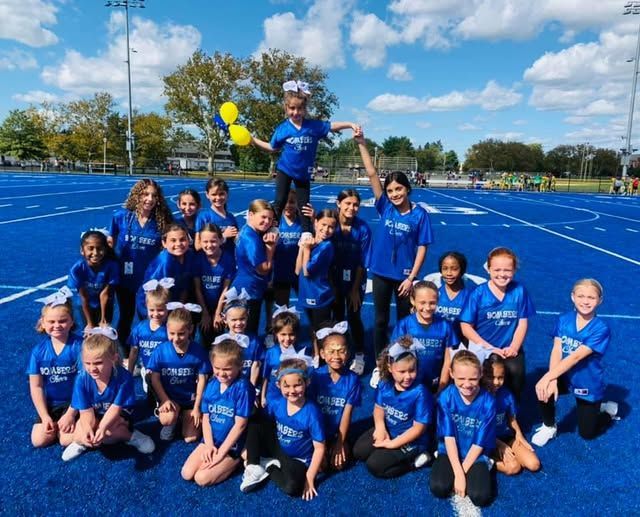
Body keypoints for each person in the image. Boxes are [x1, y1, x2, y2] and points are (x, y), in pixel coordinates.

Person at [355, 133, 434, 363]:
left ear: (407, 189)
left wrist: (412, 277)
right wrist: (362, 144)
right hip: (380, 272)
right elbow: (371, 173)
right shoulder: (385, 207)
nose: (394, 194)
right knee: (380, 320)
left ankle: (403, 361)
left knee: (403, 321)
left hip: (404, 278)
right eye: (390, 191)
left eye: (398, 189)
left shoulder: (420, 215)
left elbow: (422, 247)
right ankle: (382, 362)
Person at [251, 79, 360, 232]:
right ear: (286, 107)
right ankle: (272, 229)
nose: (296, 112)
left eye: (300, 108)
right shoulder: (283, 129)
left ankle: (306, 233)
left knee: (304, 205)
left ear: (305, 109)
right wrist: (252, 140)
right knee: (280, 200)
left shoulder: (313, 126)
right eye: (292, 108)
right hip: (285, 169)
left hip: (303, 173)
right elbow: (272, 147)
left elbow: (331, 126)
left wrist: (350, 124)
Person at [532, 279, 618, 446]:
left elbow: (575, 357)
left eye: (591, 298)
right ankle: (549, 426)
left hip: (587, 381)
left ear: (600, 300)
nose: (585, 301)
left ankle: (606, 411)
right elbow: (557, 349)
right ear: (573, 297)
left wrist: (548, 376)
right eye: (581, 296)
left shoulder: (601, 328)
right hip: (563, 374)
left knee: (587, 433)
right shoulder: (564, 319)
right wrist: (552, 379)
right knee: (544, 387)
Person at [61, 330, 155, 461]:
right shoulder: (82, 379)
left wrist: (101, 428)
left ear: (114, 358)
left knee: (108, 436)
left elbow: (115, 409)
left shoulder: (124, 378)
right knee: (65, 439)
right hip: (96, 411)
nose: (92, 368)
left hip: (119, 413)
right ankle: (82, 441)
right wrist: (87, 430)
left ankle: (131, 436)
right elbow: (85, 412)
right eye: (87, 363)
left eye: (98, 363)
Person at [241, 357, 325, 500]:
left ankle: (268, 465)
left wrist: (310, 477)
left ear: (307, 382)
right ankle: (253, 465)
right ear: (279, 385)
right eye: (286, 386)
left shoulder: (312, 413)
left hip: (299, 459)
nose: (292, 391)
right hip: (279, 447)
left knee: (292, 487)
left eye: (297, 385)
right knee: (255, 421)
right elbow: (262, 425)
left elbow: (319, 448)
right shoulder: (277, 403)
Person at [108, 178, 172, 359]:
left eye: (154, 195)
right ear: (137, 195)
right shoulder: (121, 216)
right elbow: (110, 245)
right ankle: (126, 356)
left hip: (151, 279)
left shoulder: (163, 220)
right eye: (145, 194)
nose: (149, 199)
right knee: (126, 316)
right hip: (126, 277)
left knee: (151, 319)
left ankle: (153, 358)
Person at [459, 247, 535, 399]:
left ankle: (510, 415)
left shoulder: (519, 291)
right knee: (478, 382)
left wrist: (514, 347)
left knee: (516, 375)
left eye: (507, 270)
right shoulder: (478, 293)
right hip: (483, 348)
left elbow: (522, 322)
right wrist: (488, 347)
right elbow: (465, 326)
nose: (502, 274)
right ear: (488, 269)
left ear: (514, 270)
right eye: (497, 269)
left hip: (509, 349)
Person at [353, 337, 433, 478]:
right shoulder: (384, 384)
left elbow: (418, 428)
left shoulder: (420, 392)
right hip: (389, 430)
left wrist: (393, 444)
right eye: (402, 372)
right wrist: (380, 427)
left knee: (375, 465)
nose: (408, 376)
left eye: (412, 370)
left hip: (412, 440)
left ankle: (415, 462)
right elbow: (378, 408)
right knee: (359, 452)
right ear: (390, 368)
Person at [181, 339, 254, 486]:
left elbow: (240, 425)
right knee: (187, 473)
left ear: (239, 366)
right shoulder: (212, 384)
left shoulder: (243, 388)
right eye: (217, 368)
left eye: (227, 369)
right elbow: (206, 418)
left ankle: (236, 460)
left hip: (231, 446)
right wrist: (208, 445)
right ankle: (215, 455)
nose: (221, 373)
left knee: (201, 478)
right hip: (212, 440)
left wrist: (220, 454)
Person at [430, 350, 496, 507]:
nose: (467, 384)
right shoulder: (446, 396)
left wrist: (462, 471)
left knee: (480, 497)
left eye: (473, 378)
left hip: (476, 453)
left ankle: (487, 463)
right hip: (450, 449)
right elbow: (449, 436)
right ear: (451, 373)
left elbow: (479, 443)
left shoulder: (488, 402)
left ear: (481, 374)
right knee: (439, 488)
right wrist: (458, 472)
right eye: (461, 378)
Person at [148, 306, 212, 442]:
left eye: (181, 333)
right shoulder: (160, 351)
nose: (176, 338)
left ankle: (184, 416)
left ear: (191, 329)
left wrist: (196, 408)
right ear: (166, 329)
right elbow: (154, 378)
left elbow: (202, 380)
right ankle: (174, 418)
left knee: (191, 437)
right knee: (166, 419)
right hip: (171, 399)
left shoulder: (198, 352)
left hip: (190, 400)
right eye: (172, 333)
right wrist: (164, 399)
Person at [27, 291, 82, 448]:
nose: (57, 325)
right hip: (52, 404)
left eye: (62, 321)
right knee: (38, 440)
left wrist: (71, 413)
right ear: (43, 323)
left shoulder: (79, 346)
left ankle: (79, 425)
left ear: (72, 321)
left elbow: (85, 384)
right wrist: (45, 416)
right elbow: (36, 386)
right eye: (51, 321)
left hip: (76, 403)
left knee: (65, 440)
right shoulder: (38, 351)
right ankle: (57, 422)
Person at [308, 322, 361, 470]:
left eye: (341, 351)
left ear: (348, 353)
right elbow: (310, 412)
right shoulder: (316, 376)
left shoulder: (353, 379)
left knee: (339, 464)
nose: (336, 356)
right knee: (321, 466)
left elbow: (346, 414)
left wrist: (340, 443)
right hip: (316, 432)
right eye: (331, 351)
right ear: (323, 354)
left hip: (336, 433)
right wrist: (320, 444)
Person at [389, 281, 457, 392]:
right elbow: (395, 357)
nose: (427, 307)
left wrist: (441, 388)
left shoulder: (445, 326)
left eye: (432, 303)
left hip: (435, 385)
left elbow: (448, 361)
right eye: (422, 303)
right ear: (412, 301)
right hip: (409, 384)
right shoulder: (404, 325)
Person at [331, 189, 371, 375]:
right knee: (337, 316)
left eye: (355, 204)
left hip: (356, 277)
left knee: (354, 315)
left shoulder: (363, 229)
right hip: (333, 277)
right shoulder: (330, 223)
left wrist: (355, 289)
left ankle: (360, 354)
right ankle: (339, 353)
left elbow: (363, 263)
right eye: (347, 203)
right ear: (339, 203)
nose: (351, 208)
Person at [482, 354, 540, 474]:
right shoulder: (479, 397)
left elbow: (511, 418)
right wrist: (499, 444)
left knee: (534, 464)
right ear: (483, 376)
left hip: (506, 436)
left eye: (500, 377)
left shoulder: (506, 394)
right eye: (492, 377)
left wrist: (519, 434)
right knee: (513, 468)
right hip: (486, 439)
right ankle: (485, 461)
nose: (496, 382)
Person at [230, 200, 278, 334]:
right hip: (249, 290)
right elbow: (263, 269)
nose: (267, 222)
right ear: (251, 214)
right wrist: (270, 247)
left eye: (270, 218)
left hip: (247, 286)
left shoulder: (248, 231)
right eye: (263, 217)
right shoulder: (251, 238)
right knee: (248, 333)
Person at [296, 209, 337, 360]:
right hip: (306, 292)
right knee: (313, 328)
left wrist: (306, 249)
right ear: (315, 223)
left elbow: (307, 272)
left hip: (320, 294)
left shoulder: (327, 246)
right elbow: (297, 269)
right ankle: (316, 353)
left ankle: (326, 355)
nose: (326, 229)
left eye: (331, 227)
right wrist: (302, 247)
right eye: (323, 225)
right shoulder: (311, 241)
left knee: (323, 330)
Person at [135, 224, 196, 319]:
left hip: (172, 301)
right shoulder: (165, 262)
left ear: (189, 240)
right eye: (173, 240)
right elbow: (156, 294)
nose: (178, 244)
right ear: (164, 243)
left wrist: (179, 307)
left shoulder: (190, 255)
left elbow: (185, 285)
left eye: (182, 239)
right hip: (153, 305)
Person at [67, 229, 119, 333]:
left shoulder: (112, 266)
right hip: (86, 305)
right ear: (82, 250)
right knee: (89, 333)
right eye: (90, 248)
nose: (95, 253)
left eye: (99, 249)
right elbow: (84, 297)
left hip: (105, 305)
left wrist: (103, 319)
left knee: (104, 333)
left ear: (105, 249)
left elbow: (104, 294)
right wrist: (89, 323)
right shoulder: (77, 269)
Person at [193, 223, 235, 348]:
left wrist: (218, 312)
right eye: (205, 241)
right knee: (203, 338)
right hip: (202, 305)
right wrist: (204, 313)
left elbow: (225, 289)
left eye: (213, 241)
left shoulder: (228, 259)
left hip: (220, 305)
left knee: (219, 338)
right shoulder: (198, 259)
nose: (209, 245)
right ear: (200, 241)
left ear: (221, 240)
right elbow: (197, 289)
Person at [213, 292, 265, 387]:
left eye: (242, 319)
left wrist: (251, 388)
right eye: (234, 320)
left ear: (247, 317)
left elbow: (256, 365)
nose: (239, 323)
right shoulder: (221, 341)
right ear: (225, 320)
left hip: (246, 386)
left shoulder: (254, 341)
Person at [126, 283, 169, 394]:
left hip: (166, 372)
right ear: (146, 307)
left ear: (167, 308)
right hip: (147, 370)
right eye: (152, 310)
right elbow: (134, 351)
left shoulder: (169, 329)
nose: (156, 314)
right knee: (150, 397)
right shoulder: (140, 329)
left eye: (160, 310)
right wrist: (129, 372)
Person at [261, 310, 303, 408]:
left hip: (293, 396)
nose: (287, 338)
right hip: (273, 396)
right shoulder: (271, 352)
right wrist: (263, 396)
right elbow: (265, 376)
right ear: (276, 334)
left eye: (291, 334)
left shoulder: (301, 353)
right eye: (283, 334)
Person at [435, 251, 474, 344]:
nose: (449, 273)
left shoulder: (471, 297)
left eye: (454, 269)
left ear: (462, 270)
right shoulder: (434, 294)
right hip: (438, 346)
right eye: (445, 269)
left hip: (462, 347)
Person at [194, 179, 238, 259]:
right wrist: (223, 236)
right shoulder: (204, 217)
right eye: (214, 194)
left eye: (221, 194)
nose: (218, 198)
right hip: (209, 265)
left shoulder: (231, 217)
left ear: (227, 194)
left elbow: (237, 241)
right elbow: (197, 246)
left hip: (229, 263)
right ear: (207, 195)